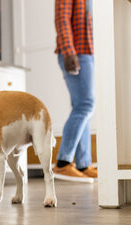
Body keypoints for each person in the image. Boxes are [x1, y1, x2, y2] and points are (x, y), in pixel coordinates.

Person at [53, 0, 97, 183]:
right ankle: (63, 163)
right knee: (86, 105)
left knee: (81, 107)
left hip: (87, 51)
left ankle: (83, 164)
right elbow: (61, 18)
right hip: (75, 52)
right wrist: (69, 51)